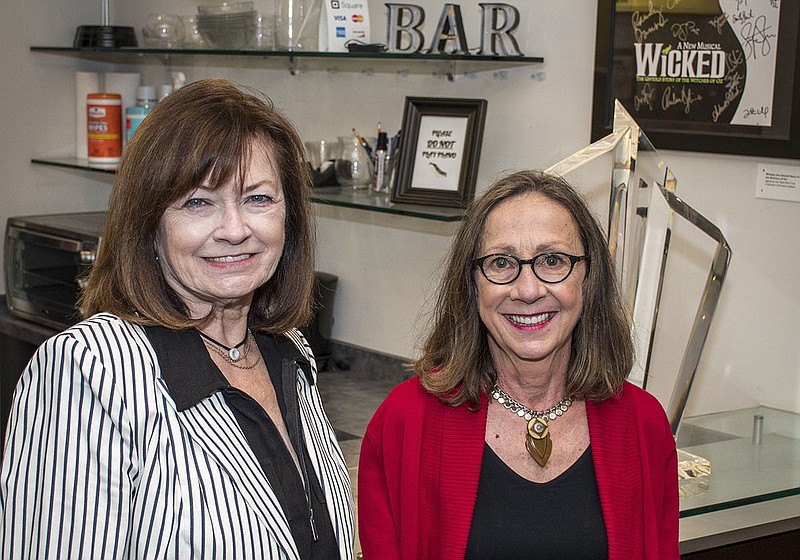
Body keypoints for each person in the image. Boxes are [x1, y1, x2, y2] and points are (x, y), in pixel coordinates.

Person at [0, 78, 354, 559]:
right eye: (197, 202)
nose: (235, 230)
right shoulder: (88, 371)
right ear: (149, 224)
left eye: (258, 199)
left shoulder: (288, 350)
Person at [358, 170, 679, 559]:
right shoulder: (404, 422)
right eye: (501, 263)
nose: (528, 290)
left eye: (553, 260)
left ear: (588, 277)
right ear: (472, 282)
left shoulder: (644, 426)